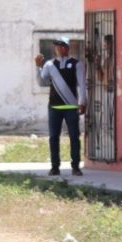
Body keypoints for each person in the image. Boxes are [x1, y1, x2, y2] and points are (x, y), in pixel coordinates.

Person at [34, 36, 86, 176]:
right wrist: (38, 66)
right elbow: (42, 81)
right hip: (54, 107)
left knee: (74, 137)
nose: (59, 48)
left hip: (71, 107)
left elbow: (82, 84)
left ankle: (75, 166)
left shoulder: (77, 64)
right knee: (53, 137)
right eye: (57, 46)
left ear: (67, 48)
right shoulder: (50, 65)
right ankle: (54, 167)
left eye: (62, 46)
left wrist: (82, 102)